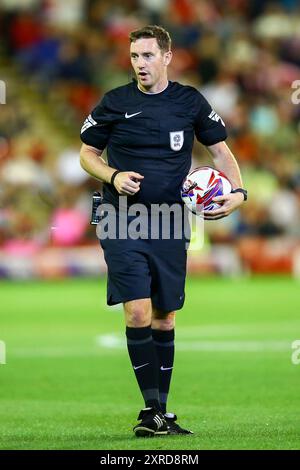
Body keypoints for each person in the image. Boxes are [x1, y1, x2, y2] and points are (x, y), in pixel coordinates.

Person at [80, 25, 247, 437]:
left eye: (148, 56)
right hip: (121, 218)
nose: (141, 64)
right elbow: (87, 154)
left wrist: (240, 192)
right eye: (135, 56)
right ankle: (151, 410)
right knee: (137, 309)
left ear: (167, 57)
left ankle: (161, 411)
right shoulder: (115, 102)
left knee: (165, 316)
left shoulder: (189, 102)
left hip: (171, 220)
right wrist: (113, 175)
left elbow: (220, 151)